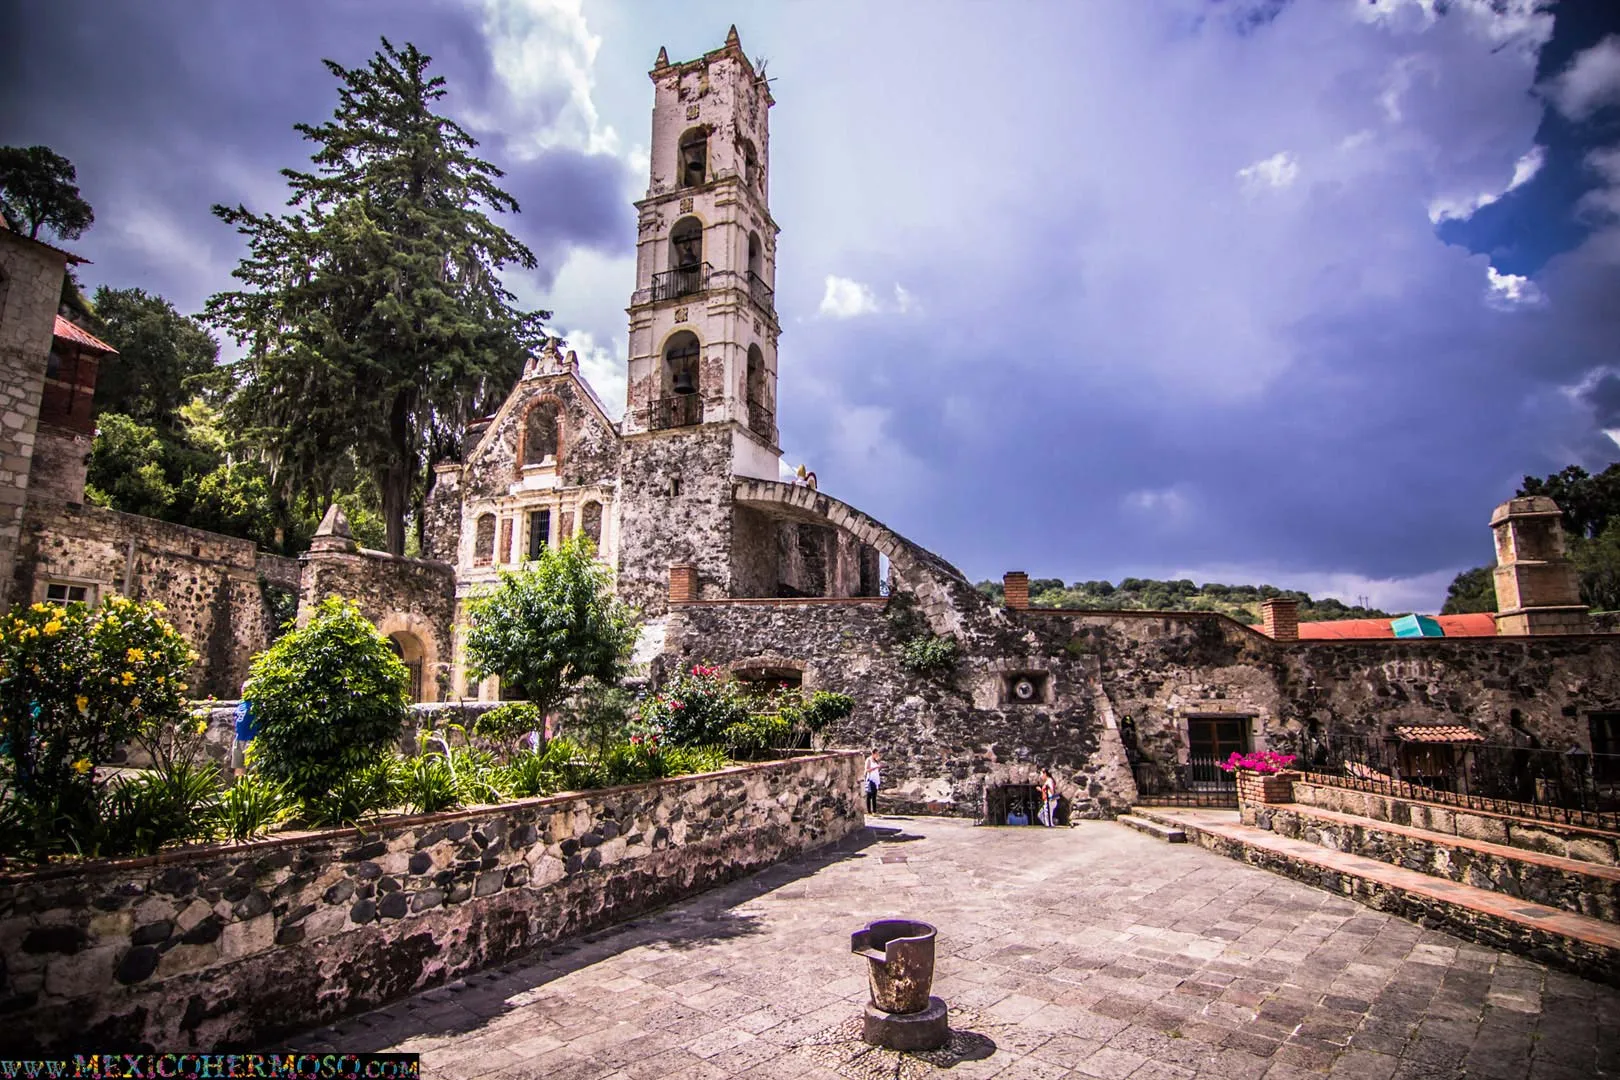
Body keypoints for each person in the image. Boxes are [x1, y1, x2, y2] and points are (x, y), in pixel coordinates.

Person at [232, 681, 258, 778]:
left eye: (246, 689)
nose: (243, 691)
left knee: (253, 770)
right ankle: (239, 790)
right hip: (239, 739)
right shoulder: (241, 703)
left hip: (251, 739)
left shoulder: (257, 704)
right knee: (238, 767)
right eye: (243, 689)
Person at [864, 750, 882, 814]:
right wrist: (875, 768)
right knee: (869, 795)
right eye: (876, 754)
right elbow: (867, 770)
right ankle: (870, 811)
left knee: (874, 795)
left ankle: (874, 811)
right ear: (873, 753)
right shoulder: (869, 760)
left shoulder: (876, 761)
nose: (877, 755)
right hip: (871, 779)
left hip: (875, 779)